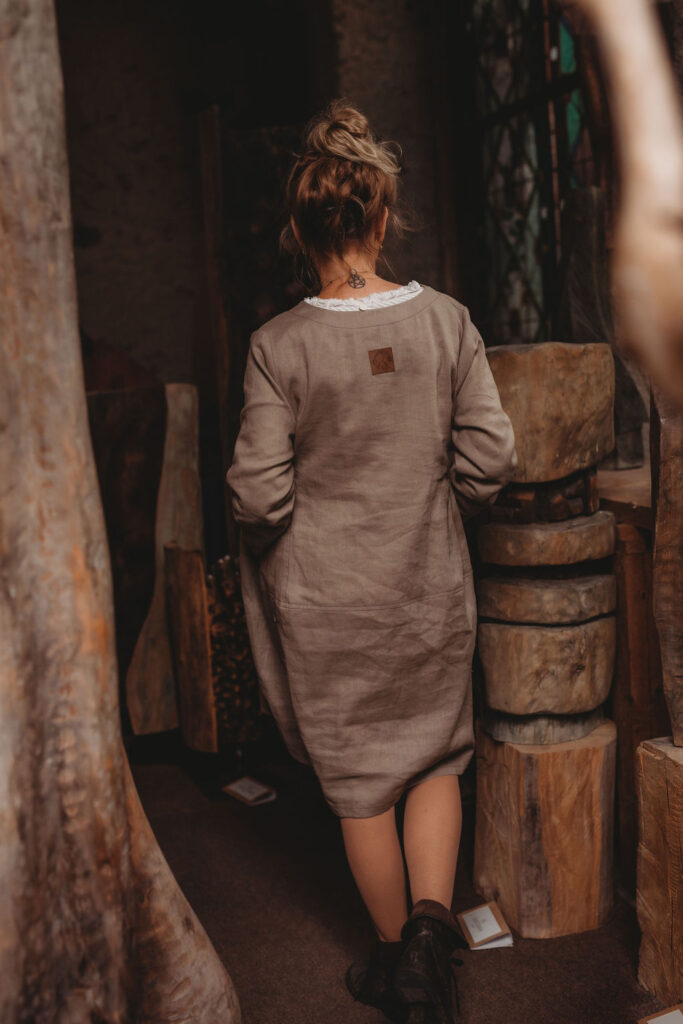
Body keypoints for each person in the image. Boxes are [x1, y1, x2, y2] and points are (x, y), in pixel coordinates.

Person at [226, 98, 518, 1023]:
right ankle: (431, 953)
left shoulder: (277, 347)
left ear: (301, 231)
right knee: (435, 762)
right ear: (381, 218)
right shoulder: (446, 323)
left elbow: (257, 496)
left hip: (328, 606)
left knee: (359, 786)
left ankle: (399, 964)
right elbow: (490, 457)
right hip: (426, 592)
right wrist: (433, 511)